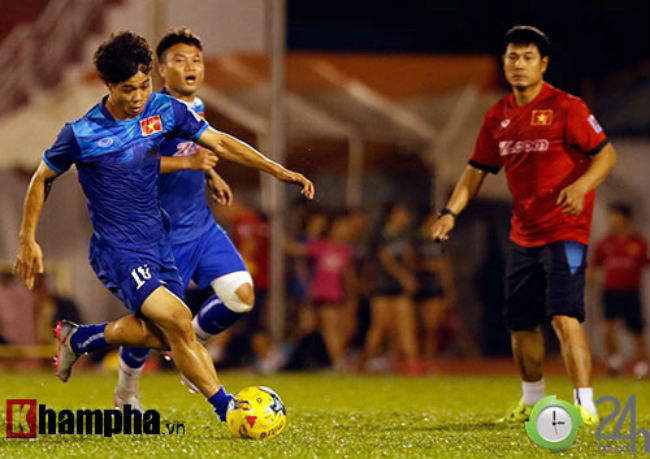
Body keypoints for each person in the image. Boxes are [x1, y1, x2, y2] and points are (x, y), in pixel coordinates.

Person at [13, 31, 314, 424]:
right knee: (177, 322)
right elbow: (41, 178)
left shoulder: (165, 111)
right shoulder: (82, 133)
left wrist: (279, 170)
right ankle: (232, 411)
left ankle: (81, 338)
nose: (138, 97)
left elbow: (219, 143)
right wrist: (27, 238)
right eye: (127, 90)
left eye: (144, 85)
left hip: (160, 243)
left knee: (168, 333)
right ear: (107, 85)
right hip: (118, 250)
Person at [430, 25, 616, 426]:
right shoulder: (498, 116)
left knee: (565, 316)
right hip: (523, 235)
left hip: (566, 231)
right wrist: (450, 212)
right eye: (512, 57)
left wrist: (581, 186)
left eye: (527, 57)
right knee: (520, 323)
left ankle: (585, 405)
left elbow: (606, 155)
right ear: (504, 62)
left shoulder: (569, 107)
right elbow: (475, 170)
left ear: (543, 64)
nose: (518, 64)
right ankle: (532, 401)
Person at [112, 28, 263, 409]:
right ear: (162, 69)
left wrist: (210, 173)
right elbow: (131, 165)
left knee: (241, 296)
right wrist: (191, 162)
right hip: (163, 237)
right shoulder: (149, 110)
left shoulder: (196, 107)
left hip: (202, 227)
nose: (190, 66)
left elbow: (197, 144)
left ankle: (191, 346)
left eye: (195, 60)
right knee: (153, 329)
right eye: (179, 60)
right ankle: (127, 391)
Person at [591, 203, 649, 378]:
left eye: (616, 217)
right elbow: (594, 267)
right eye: (611, 217)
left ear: (626, 219)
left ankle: (642, 366)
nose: (612, 221)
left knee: (636, 331)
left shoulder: (639, 243)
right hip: (610, 292)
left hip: (631, 292)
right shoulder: (604, 244)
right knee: (607, 329)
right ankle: (614, 363)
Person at [365, 202, 420, 373]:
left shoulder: (405, 237)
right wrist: (404, 277)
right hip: (382, 287)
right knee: (380, 326)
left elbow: (410, 259)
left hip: (399, 288)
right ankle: (368, 362)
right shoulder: (381, 236)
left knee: (406, 325)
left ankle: (412, 363)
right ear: (392, 214)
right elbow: (385, 260)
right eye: (402, 213)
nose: (405, 218)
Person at [414, 213, 457, 361]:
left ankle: (429, 359)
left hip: (435, 289)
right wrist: (429, 266)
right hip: (418, 287)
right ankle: (415, 359)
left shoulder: (440, 242)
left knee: (431, 327)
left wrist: (449, 291)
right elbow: (412, 263)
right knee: (417, 327)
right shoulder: (417, 241)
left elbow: (446, 268)